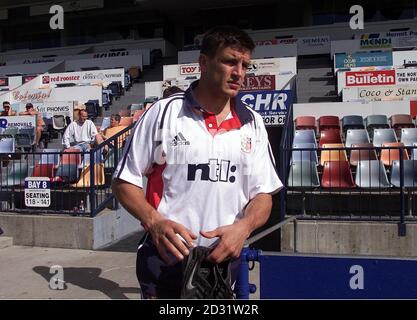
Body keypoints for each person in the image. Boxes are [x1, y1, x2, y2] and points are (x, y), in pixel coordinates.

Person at [112, 25, 282, 299]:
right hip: (166, 260)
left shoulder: (253, 122)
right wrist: (153, 221)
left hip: (224, 262)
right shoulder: (163, 113)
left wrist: (243, 228)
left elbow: (263, 196)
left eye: (245, 65)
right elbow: (123, 181)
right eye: (229, 61)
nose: (239, 72)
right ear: (203, 63)